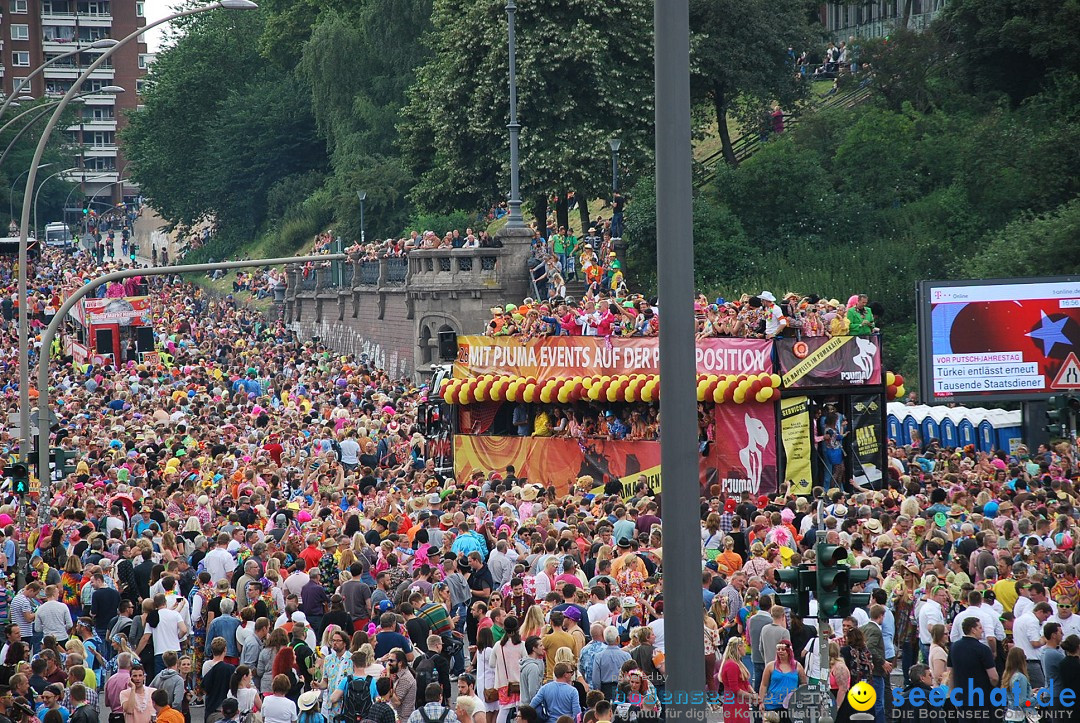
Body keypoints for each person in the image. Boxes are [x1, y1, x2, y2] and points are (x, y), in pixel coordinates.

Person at [948, 618, 998, 716]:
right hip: (981, 697)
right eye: (980, 628)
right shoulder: (983, 649)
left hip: (962, 696)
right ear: (973, 630)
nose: (982, 630)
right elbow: (994, 677)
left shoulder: (954, 647)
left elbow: (950, 674)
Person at [758, 640, 805, 722]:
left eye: (783, 649)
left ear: (789, 651)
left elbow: (803, 684)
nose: (780, 652)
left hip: (791, 706)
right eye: (778, 649)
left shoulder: (798, 666)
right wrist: (761, 702)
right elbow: (764, 685)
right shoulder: (770, 666)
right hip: (772, 705)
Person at [719, 638, 755, 723]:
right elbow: (735, 689)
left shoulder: (737, 663)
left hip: (740, 703)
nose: (745, 648)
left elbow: (745, 682)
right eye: (744, 646)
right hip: (734, 704)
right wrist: (753, 697)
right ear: (739, 647)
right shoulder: (732, 665)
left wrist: (754, 694)